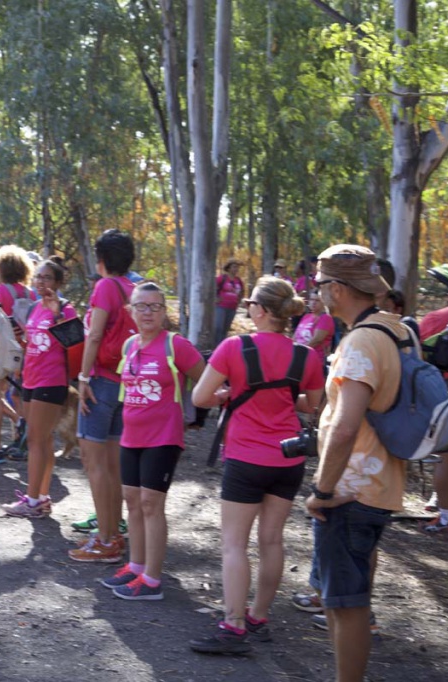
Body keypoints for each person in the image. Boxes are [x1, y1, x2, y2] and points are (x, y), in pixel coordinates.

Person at [189, 276, 324, 655]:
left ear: (261, 311)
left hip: (246, 457)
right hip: (288, 458)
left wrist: (226, 394)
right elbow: (313, 405)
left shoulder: (234, 347)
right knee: (272, 540)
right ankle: (258, 617)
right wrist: (279, 394)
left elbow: (199, 396)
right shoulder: (306, 356)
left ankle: (233, 627)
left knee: (234, 543)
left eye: (250, 303)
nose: (247, 307)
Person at [304, 244, 405, 682]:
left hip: (350, 491)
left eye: (320, 285)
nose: (317, 292)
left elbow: (345, 427)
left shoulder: (361, 341)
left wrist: (322, 492)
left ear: (339, 289)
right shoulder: (396, 329)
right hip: (379, 483)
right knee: (345, 598)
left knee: (347, 605)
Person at [103, 282, 204, 598]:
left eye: (155, 306)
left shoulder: (176, 345)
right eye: (141, 306)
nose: (147, 312)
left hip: (163, 437)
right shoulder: (129, 345)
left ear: (163, 311)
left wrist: (197, 414)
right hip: (131, 436)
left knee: (151, 503)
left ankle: (152, 580)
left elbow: (206, 379)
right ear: (130, 311)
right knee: (132, 500)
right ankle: (136, 566)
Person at [71, 230, 137, 561]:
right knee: (111, 466)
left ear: (101, 259)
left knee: (94, 463)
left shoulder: (105, 287)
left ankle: (106, 539)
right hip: (124, 383)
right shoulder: (132, 288)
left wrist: (83, 378)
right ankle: (112, 535)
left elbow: (94, 335)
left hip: (101, 382)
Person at [2, 259, 75, 519]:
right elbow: (34, 344)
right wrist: (20, 339)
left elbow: (75, 344)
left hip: (52, 381)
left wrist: (57, 316)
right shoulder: (34, 307)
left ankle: (31, 501)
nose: (41, 282)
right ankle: (42, 498)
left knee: (34, 440)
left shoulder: (66, 309)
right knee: (43, 441)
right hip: (30, 379)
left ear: (58, 282)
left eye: (47, 278)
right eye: (38, 277)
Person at [416, 264, 448, 536]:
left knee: (446, 456)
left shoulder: (437, 318)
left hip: (445, 399)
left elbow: (415, 355)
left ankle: (447, 516)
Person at [0, 245, 36, 460]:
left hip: (5, 351)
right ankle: (22, 437)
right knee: (19, 396)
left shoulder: (0, 292)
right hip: (28, 350)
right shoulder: (30, 293)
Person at [293, 289, 335, 368]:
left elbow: (316, 340)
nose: (313, 303)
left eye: (317, 300)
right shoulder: (306, 316)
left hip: (315, 361)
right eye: (311, 299)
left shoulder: (325, 318)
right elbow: (295, 336)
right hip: (300, 359)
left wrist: (299, 353)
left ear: (323, 302)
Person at [213, 259, 244, 346]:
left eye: (237, 267)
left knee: (225, 329)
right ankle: (215, 346)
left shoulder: (238, 280)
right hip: (221, 306)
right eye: (234, 267)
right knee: (218, 327)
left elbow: (242, 292)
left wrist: (238, 301)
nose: (236, 269)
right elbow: (212, 287)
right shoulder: (222, 278)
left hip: (232, 307)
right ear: (229, 268)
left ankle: (222, 346)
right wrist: (215, 298)